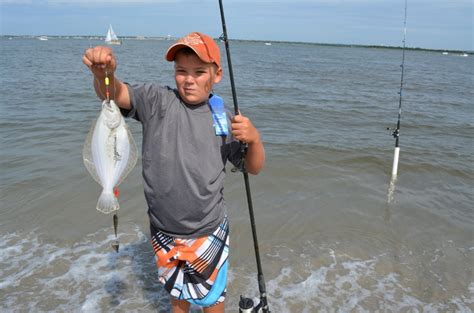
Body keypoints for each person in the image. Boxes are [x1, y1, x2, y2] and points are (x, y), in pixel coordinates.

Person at [83, 32, 265, 313]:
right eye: (181, 71)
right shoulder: (157, 101)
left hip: (208, 228)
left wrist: (254, 139)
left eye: (199, 72)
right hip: (163, 230)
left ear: (216, 75)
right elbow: (115, 93)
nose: (189, 79)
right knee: (177, 296)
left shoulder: (223, 116)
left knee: (212, 299)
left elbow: (252, 167)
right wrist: (104, 75)